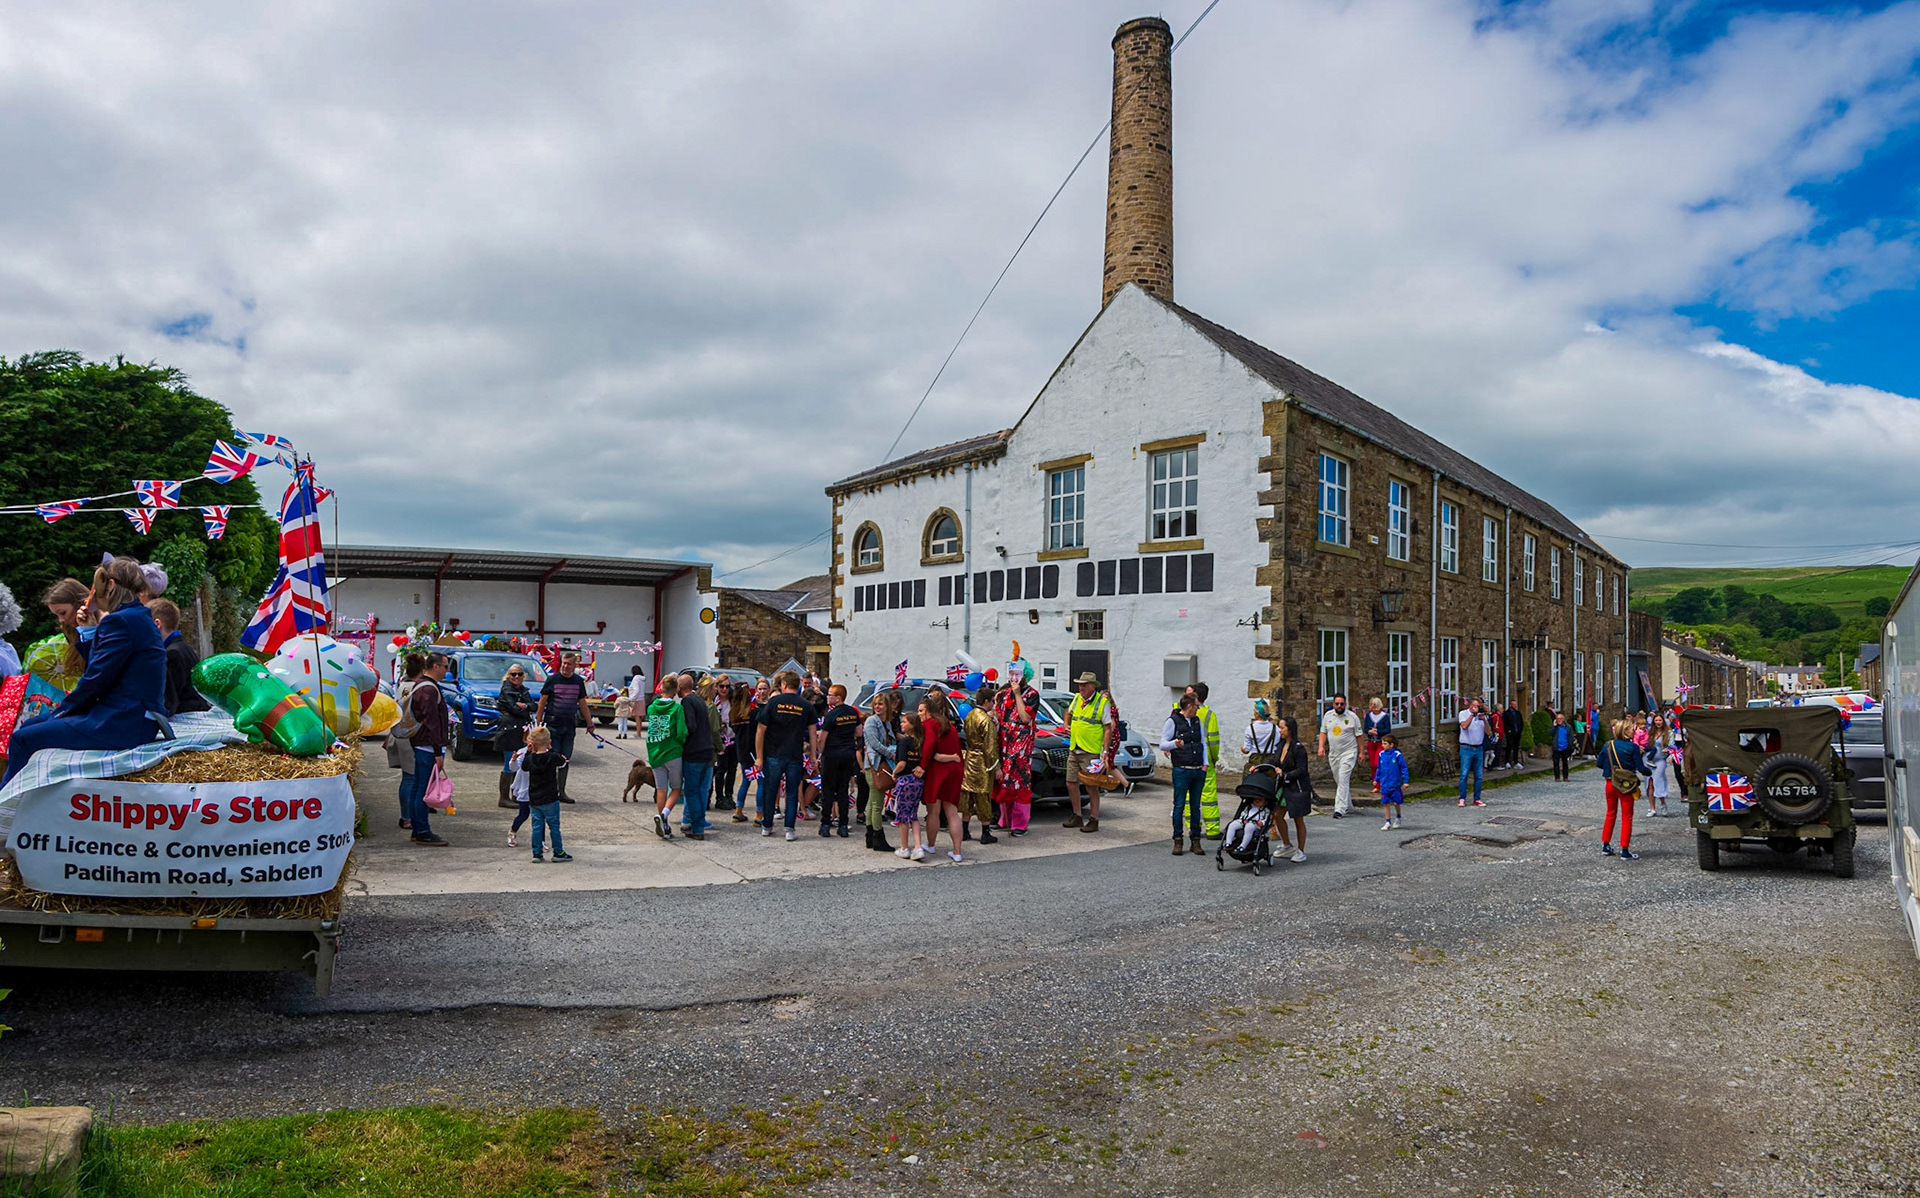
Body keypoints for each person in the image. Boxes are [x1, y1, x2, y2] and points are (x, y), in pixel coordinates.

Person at [2, 559, 165, 786]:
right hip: (132, 718)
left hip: (122, 722)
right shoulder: (136, 616)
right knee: (30, 727)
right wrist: (89, 631)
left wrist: (61, 712)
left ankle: (7, 806)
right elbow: (102, 669)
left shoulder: (120, 621)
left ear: (109, 585)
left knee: (22, 738)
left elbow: (95, 679)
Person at [755, 671, 815, 840]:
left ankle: (767, 825)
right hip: (794, 754)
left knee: (770, 790)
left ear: (783, 685)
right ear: (798, 685)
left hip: (773, 753)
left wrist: (759, 756)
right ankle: (789, 829)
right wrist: (812, 757)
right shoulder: (805, 705)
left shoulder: (774, 702)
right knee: (792, 792)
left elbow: (760, 730)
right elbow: (812, 733)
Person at [404, 652, 452, 846]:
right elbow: (431, 721)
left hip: (422, 744)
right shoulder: (429, 690)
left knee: (417, 787)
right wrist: (438, 750)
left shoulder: (423, 686)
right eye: (445, 666)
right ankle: (422, 830)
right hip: (427, 746)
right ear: (435, 667)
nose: (447, 671)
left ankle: (418, 827)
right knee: (423, 789)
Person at [1063, 671, 1117, 833]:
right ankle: (1077, 815)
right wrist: (1066, 724)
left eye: (1085, 685)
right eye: (1080, 684)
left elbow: (1108, 728)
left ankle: (1094, 819)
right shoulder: (1077, 699)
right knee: (1070, 783)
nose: (1081, 688)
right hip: (1075, 747)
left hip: (1091, 750)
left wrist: (1105, 750)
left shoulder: (1102, 703)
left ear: (1093, 686)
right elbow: (1068, 712)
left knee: (1091, 786)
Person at [535, 652, 592, 802]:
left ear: (574, 666)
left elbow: (582, 704)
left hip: (569, 727)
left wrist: (590, 723)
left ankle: (562, 792)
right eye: (563, 663)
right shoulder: (552, 680)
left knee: (565, 759)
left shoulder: (578, 682)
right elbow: (542, 703)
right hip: (552, 726)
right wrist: (538, 723)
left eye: (569, 664)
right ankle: (550, 791)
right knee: (552, 759)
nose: (565, 666)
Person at [919, 694, 967, 863]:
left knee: (933, 811)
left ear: (929, 712)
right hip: (955, 769)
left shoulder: (929, 725)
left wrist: (922, 766)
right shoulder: (949, 726)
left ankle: (931, 844)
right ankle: (957, 851)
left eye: (921, 710)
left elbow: (929, 746)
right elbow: (958, 750)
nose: (918, 714)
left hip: (938, 770)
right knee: (952, 812)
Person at [1162, 691, 1209, 855]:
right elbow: (1163, 744)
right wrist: (1174, 744)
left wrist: (1205, 764)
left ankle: (1196, 840)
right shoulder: (1173, 721)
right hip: (1181, 769)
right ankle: (1178, 839)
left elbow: (1203, 742)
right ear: (1189, 706)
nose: (1198, 708)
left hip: (1197, 770)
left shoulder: (1197, 721)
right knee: (1179, 806)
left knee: (1196, 807)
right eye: (1197, 705)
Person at [1597, 718, 1650, 860]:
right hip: (1625, 785)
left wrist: (1613, 771)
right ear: (1625, 731)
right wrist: (1649, 772)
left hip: (1610, 783)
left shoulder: (1608, 745)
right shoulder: (1633, 747)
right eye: (1631, 728)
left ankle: (1606, 845)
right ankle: (1624, 849)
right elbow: (1641, 768)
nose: (1634, 730)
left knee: (1610, 813)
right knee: (1627, 817)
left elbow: (1599, 763)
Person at [992, 671, 1038, 837]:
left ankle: (1020, 824)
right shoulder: (1004, 694)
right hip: (1004, 742)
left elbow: (1025, 718)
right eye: (1011, 674)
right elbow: (997, 714)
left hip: (1021, 744)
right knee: (1005, 780)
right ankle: (1005, 820)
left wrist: (1018, 694)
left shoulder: (1033, 694)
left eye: (1017, 675)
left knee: (1019, 781)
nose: (1013, 678)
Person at [147, 599, 210, 717]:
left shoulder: (172, 654)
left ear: (157, 624)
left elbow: (169, 701)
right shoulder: (183, 648)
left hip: (186, 717)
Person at [815, 684, 863, 838]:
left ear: (838, 698)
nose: (828, 697)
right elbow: (859, 732)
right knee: (843, 790)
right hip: (847, 755)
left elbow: (823, 737)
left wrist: (820, 754)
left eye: (830, 695)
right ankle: (843, 824)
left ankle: (825, 825)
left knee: (828, 791)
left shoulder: (831, 714)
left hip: (832, 755)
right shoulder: (852, 712)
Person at [645, 675, 688, 840]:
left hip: (655, 753)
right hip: (672, 753)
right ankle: (663, 815)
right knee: (676, 789)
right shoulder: (677, 709)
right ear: (676, 690)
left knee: (661, 789)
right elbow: (681, 732)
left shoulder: (651, 708)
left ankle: (664, 823)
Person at [521, 726, 572, 862]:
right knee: (554, 826)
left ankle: (537, 853)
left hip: (535, 798)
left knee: (537, 826)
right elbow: (562, 761)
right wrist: (552, 748)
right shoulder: (552, 756)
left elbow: (524, 767)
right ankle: (558, 852)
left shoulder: (530, 759)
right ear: (549, 742)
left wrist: (528, 751)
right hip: (550, 797)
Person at [678, 672, 718, 839]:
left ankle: (697, 828)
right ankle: (699, 822)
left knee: (692, 791)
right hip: (707, 751)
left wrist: (681, 739)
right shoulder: (701, 702)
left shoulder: (687, 702)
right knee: (702, 790)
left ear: (680, 688)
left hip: (693, 752)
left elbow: (691, 726)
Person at [960, 683, 1000, 845]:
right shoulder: (986, 721)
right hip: (983, 761)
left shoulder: (969, 716)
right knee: (983, 795)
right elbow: (990, 747)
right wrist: (996, 766)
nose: (994, 704)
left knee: (968, 795)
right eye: (993, 701)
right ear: (987, 702)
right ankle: (985, 832)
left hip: (970, 758)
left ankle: (964, 830)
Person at [861, 690, 901, 851]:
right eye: (875, 704)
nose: (877, 707)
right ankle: (878, 836)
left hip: (882, 765)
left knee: (872, 802)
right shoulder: (872, 721)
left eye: (880, 704)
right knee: (877, 804)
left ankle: (870, 835)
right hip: (875, 765)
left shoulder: (887, 723)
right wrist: (891, 754)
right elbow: (874, 743)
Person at [495, 663, 536, 808]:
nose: (516, 677)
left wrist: (525, 706)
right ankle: (504, 798)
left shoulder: (523, 690)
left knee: (519, 763)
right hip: (509, 730)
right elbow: (513, 709)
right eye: (513, 674)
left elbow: (534, 705)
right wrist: (527, 708)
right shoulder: (506, 690)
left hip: (521, 730)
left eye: (519, 674)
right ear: (508, 676)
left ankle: (516, 795)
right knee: (509, 763)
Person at [1317, 693, 1362, 818]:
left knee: (1343, 778)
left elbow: (1359, 735)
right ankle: (1348, 805)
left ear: (1345, 704)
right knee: (1340, 780)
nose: (1339, 706)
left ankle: (1339, 809)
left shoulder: (1353, 717)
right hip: (1334, 754)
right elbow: (1323, 732)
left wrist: (1362, 752)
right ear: (1333, 704)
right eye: (1337, 704)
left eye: (1342, 704)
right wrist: (1321, 747)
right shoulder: (1328, 716)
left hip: (1349, 752)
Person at [1275, 715, 1312, 863]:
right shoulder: (1280, 745)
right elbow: (1274, 761)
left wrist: (1285, 774)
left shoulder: (1298, 749)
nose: (1280, 730)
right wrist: (1259, 768)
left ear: (1290, 729)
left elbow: (1302, 770)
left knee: (1298, 819)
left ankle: (1301, 850)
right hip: (1284, 787)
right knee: (1277, 815)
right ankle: (1286, 844)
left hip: (1296, 788)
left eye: (1282, 727)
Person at [1189, 682, 1223, 838]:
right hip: (1205, 760)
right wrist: (1214, 758)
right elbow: (1214, 742)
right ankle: (1213, 830)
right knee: (1208, 795)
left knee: (1190, 795)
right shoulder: (1210, 715)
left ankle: (1193, 827)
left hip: (1188, 760)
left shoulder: (1184, 712)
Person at [892, 711, 926, 860]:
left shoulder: (904, 743)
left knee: (903, 816)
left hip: (905, 780)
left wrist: (894, 772)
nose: (901, 724)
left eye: (904, 722)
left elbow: (902, 763)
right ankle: (918, 847)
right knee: (913, 815)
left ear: (911, 725)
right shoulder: (921, 742)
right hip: (918, 781)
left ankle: (904, 847)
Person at [730, 680, 765, 817]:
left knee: (746, 780)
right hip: (755, 750)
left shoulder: (734, 712)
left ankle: (738, 811)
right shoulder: (754, 712)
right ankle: (759, 814)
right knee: (761, 781)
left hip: (741, 750)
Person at [1457, 698, 1491, 807]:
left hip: (1479, 748)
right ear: (1470, 706)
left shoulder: (1482, 716)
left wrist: (1484, 720)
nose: (1477, 708)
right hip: (1466, 748)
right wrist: (1472, 715)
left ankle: (1477, 798)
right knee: (1464, 774)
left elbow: (1489, 732)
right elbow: (1464, 726)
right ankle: (1462, 798)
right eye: (1475, 706)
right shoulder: (1463, 714)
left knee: (1479, 775)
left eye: (1478, 706)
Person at [1376, 733, 1410, 830]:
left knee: (1396, 802)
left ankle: (1398, 816)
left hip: (1395, 784)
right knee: (1385, 803)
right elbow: (1379, 768)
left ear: (1391, 745)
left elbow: (1403, 768)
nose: (1383, 745)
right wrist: (1376, 779)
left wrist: (1406, 781)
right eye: (1382, 743)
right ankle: (1387, 821)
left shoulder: (1397, 755)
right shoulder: (1381, 754)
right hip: (1384, 784)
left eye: (1385, 743)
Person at [1643, 714, 1674, 818]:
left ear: (1663, 721)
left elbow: (1672, 746)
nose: (1658, 722)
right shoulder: (1650, 732)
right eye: (1656, 720)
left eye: (1660, 720)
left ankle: (1663, 803)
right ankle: (1652, 808)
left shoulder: (1668, 733)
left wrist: (1668, 751)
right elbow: (1643, 742)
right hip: (1649, 759)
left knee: (1658, 781)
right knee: (1649, 783)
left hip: (1660, 760)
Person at [505, 736, 532, 847]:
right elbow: (513, 768)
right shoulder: (522, 752)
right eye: (531, 738)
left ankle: (541, 841)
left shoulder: (546, 752)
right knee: (523, 814)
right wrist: (514, 760)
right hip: (525, 789)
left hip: (540, 790)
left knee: (539, 817)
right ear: (525, 740)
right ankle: (512, 831)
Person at [1243, 699, 1284, 768]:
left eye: (1254, 711)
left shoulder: (1250, 729)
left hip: (1255, 761)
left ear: (1257, 714)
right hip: (1271, 762)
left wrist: (1242, 748)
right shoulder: (1276, 728)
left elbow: (1246, 750)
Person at [1362, 697, 1391, 792]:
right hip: (1371, 742)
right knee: (1372, 765)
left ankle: (1383, 783)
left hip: (1381, 743)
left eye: (1374, 704)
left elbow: (1388, 730)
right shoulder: (1368, 716)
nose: (1373, 706)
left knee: (1377, 763)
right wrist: (1369, 731)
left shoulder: (1385, 716)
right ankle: (1376, 785)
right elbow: (1365, 729)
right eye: (1371, 704)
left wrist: (1378, 732)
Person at [1550, 711, 1574, 782]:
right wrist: (1554, 726)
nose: (1559, 720)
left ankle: (1565, 777)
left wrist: (1570, 746)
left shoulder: (1568, 727)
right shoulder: (1555, 727)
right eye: (1557, 719)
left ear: (1563, 719)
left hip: (1565, 747)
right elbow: (1550, 733)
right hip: (1557, 747)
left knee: (1565, 763)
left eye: (1560, 719)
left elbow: (1571, 737)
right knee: (1556, 763)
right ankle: (1557, 777)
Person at [1501, 698, 1524, 771]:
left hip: (1517, 733)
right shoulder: (1506, 713)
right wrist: (1509, 731)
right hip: (1510, 733)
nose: (1515, 706)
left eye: (1515, 704)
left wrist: (1520, 730)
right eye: (1513, 704)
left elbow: (1521, 723)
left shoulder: (1518, 713)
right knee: (1509, 747)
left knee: (1516, 747)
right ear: (1510, 705)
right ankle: (1507, 762)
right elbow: (1505, 723)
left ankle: (1516, 761)